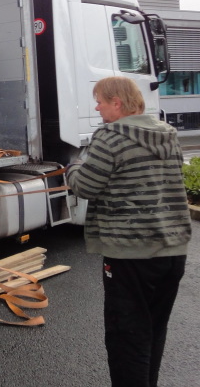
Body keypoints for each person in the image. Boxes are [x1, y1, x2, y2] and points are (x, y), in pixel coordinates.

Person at [66, 76, 192, 387]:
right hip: (172, 251)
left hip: (130, 254)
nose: (97, 108)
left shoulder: (110, 137)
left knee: (127, 339)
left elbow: (85, 186)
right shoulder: (167, 134)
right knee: (153, 330)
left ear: (117, 103)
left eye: (100, 102)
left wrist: (72, 167)